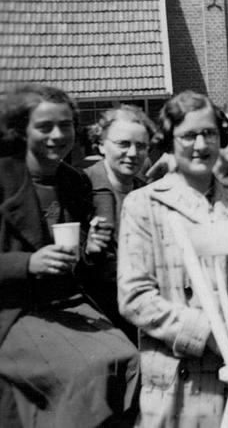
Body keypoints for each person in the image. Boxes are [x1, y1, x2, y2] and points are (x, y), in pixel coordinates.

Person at [117, 90, 228, 427]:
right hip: (181, 377)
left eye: (209, 133)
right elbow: (134, 297)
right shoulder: (143, 204)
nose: (200, 145)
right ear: (170, 141)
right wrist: (207, 333)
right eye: (188, 135)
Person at [0, 84, 139, 428]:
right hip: (13, 308)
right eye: (44, 127)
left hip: (66, 302)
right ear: (21, 130)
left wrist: (91, 250)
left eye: (65, 126)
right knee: (85, 370)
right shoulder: (3, 178)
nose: (58, 135)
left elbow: (81, 268)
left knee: (131, 360)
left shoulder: (74, 182)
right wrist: (26, 263)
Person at [83, 104, 156, 341]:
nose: (133, 153)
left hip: (140, 304)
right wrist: (87, 249)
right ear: (101, 145)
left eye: (141, 146)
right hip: (96, 309)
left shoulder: (147, 193)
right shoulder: (81, 185)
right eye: (123, 144)